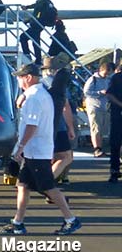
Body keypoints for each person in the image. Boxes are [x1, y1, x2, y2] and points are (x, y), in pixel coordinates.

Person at [0, 63, 81, 236]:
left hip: (36, 150)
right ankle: (18, 222)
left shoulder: (34, 97)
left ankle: (71, 219)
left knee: (48, 186)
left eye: (20, 77)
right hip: (35, 150)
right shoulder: (40, 94)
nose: (19, 80)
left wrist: (20, 147)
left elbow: (31, 125)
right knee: (23, 185)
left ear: (28, 77)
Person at [40, 54, 76, 201]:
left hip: (40, 125)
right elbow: (65, 107)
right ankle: (47, 185)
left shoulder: (38, 84)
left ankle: (48, 186)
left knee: (50, 157)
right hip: (58, 125)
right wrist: (71, 127)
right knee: (66, 157)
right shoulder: (58, 84)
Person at [83, 62, 115, 157]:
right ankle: (97, 149)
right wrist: (99, 92)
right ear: (101, 70)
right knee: (96, 128)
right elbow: (86, 92)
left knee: (102, 129)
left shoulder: (108, 79)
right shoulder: (93, 79)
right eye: (106, 73)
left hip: (105, 107)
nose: (107, 75)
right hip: (94, 107)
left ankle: (100, 147)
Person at [20, 0, 56, 65]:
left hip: (36, 25)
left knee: (23, 37)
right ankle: (38, 59)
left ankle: (28, 55)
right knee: (35, 42)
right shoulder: (48, 4)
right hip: (40, 25)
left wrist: (27, 7)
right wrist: (29, 20)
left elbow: (37, 14)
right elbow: (39, 16)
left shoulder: (42, 3)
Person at [107, 63, 122, 183]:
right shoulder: (116, 78)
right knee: (115, 143)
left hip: (117, 114)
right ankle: (114, 170)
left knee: (116, 143)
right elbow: (109, 93)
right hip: (117, 115)